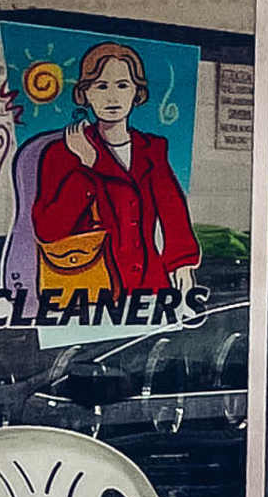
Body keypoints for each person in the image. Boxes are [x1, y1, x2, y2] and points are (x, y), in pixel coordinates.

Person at [29, 41, 201, 303]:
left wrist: (183, 266)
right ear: (85, 93)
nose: (112, 98)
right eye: (101, 86)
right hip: (90, 285)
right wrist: (86, 168)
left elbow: (173, 212)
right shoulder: (62, 152)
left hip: (148, 286)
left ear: (136, 92)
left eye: (122, 85)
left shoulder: (152, 149)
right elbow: (48, 229)